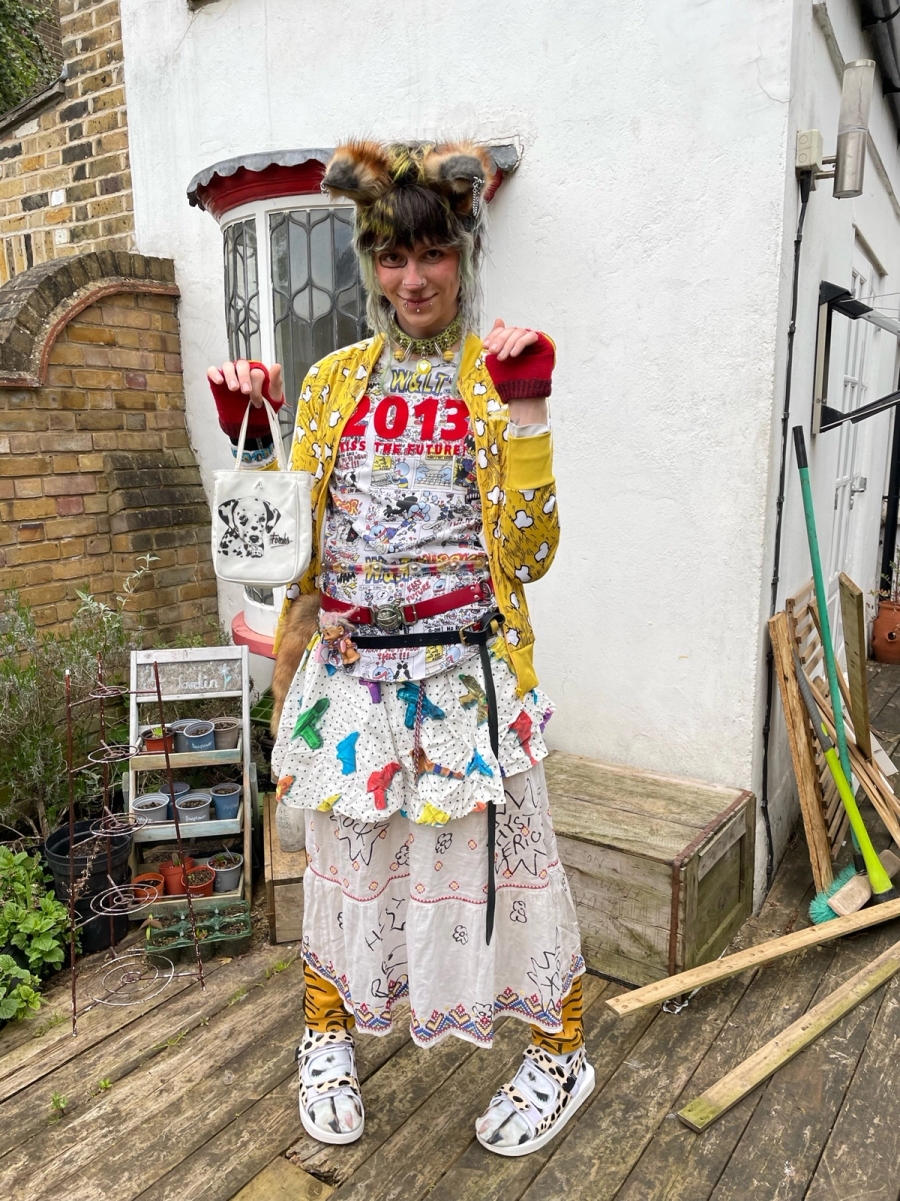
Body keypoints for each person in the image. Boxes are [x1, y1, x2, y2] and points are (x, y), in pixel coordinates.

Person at [208, 139, 592, 1157]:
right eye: (389, 255)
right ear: (369, 261)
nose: (412, 278)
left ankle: (561, 1049)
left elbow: (530, 551)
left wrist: (529, 408)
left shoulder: (490, 373)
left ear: (463, 253)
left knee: (515, 874)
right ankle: (325, 1035)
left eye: (432, 252)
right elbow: (278, 550)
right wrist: (250, 437)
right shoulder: (333, 384)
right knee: (343, 870)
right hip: (350, 684)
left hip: (468, 684)